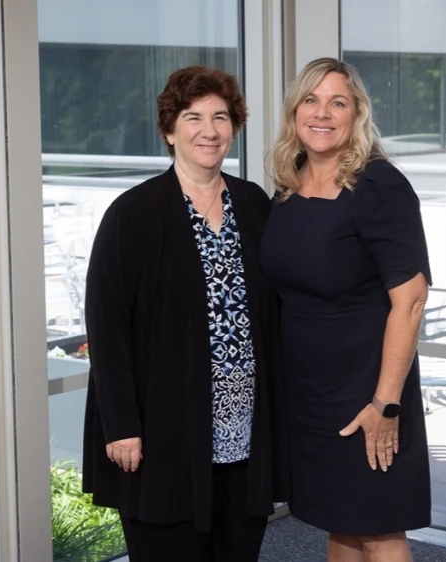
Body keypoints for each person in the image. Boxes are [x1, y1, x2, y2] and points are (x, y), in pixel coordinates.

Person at [80, 66, 288, 562]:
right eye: (193, 117)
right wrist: (121, 425)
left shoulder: (254, 204)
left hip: (244, 430)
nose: (209, 130)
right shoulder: (132, 213)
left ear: (234, 127)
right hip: (164, 432)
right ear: (170, 130)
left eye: (220, 117)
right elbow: (105, 326)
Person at [260, 57, 432, 561]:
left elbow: (412, 298)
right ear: (295, 113)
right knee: (340, 523)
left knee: (377, 527)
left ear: (356, 114)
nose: (323, 113)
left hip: (367, 389)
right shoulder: (289, 186)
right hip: (309, 393)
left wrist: (385, 405)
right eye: (311, 100)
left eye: (338, 102)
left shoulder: (379, 186)